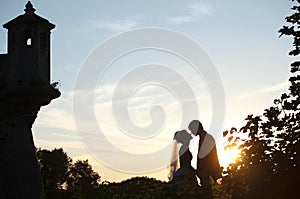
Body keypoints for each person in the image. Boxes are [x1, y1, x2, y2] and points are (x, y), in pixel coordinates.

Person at [188, 120, 221, 199]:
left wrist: (202, 171)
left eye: (192, 130)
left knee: (207, 194)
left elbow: (208, 157)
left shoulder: (206, 138)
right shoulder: (204, 137)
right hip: (206, 171)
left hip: (207, 171)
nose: (192, 133)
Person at [169, 130, 200, 198]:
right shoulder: (184, 149)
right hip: (186, 171)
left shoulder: (184, 148)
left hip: (185, 170)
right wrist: (195, 171)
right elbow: (185, 162)